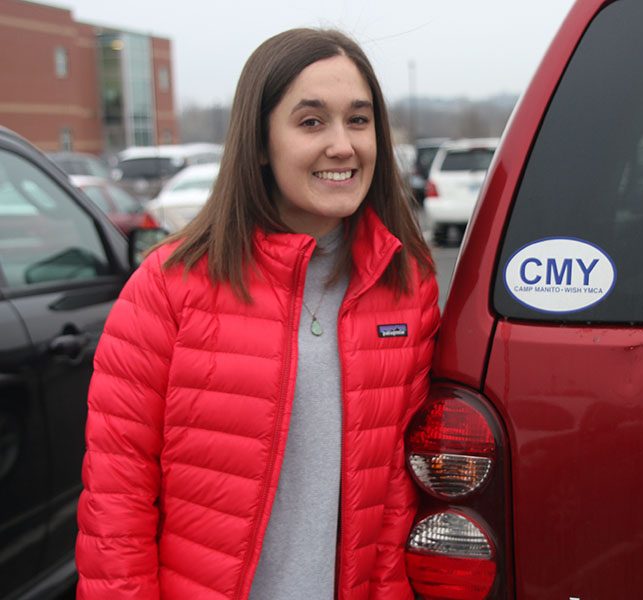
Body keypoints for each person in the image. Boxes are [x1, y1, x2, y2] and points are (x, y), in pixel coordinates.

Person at [75, 28, 439, 600]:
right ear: (261, 143)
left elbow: (395, 494)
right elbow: (116, 498)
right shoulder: (170, 285)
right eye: (311, 122)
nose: (343, 145)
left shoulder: (406, 285)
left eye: (359, 120)